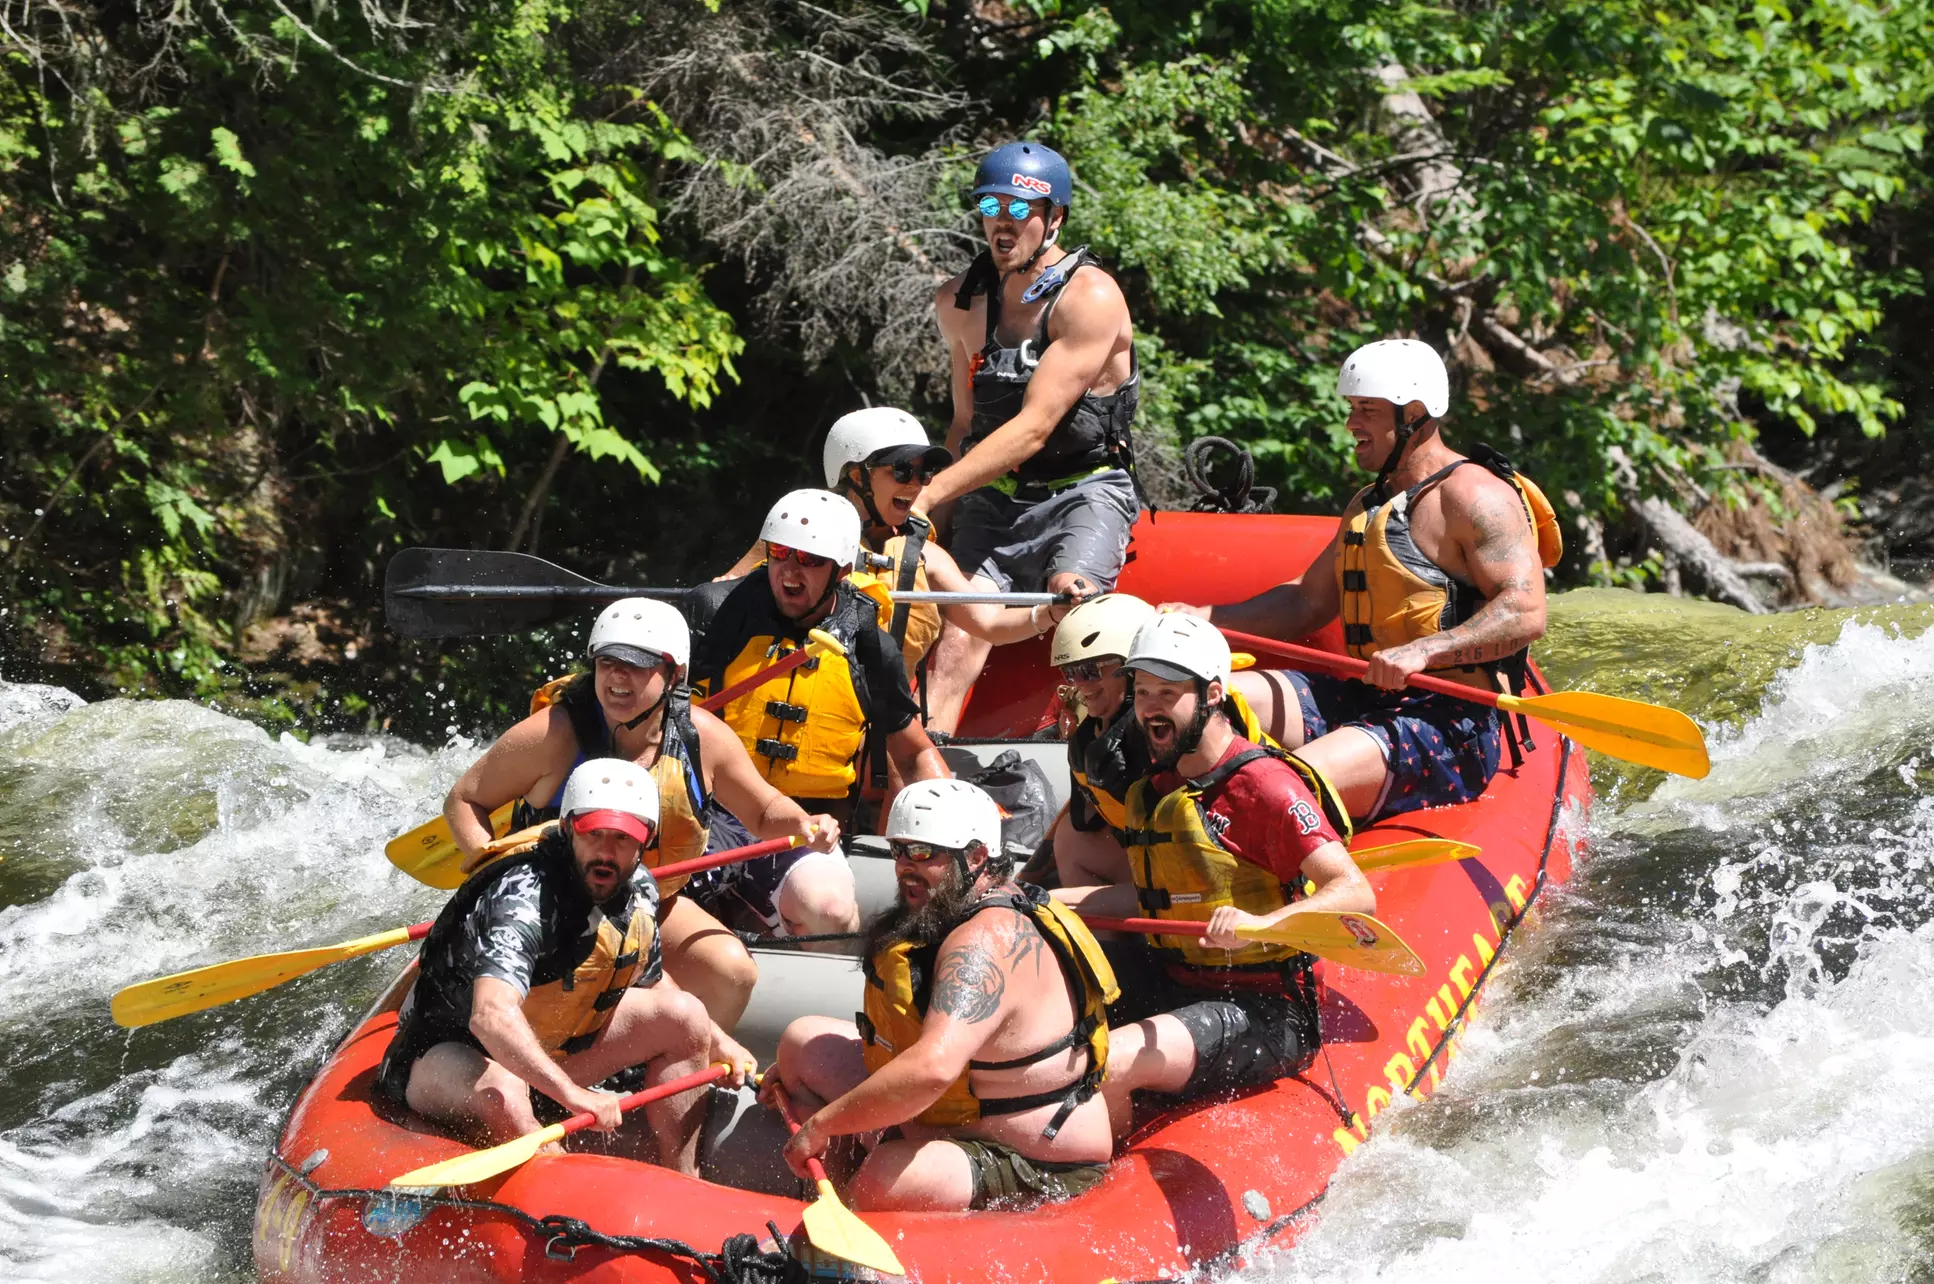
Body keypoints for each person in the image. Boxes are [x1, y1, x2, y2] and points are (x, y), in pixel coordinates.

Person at [1164, 339, 1560, 822]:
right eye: (1352, 408)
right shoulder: (1369, 502)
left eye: (1366, 410)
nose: (1351, 423)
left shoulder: (1475, 495)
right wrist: (1202, 620)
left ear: (1414, 414)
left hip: (1449, 720)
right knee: (1189, 704)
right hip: (1365, 695)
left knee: (1273, 787)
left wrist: (1425, 650)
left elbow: (1526, 611)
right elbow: (1306, 603)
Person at [442, 598, 843, 1028]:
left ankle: (674, 1060)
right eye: (608, 662)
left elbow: (763, 811)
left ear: (675, 674)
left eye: (636, 665)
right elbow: (464, 800)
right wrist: (499, 879)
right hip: (552, 900)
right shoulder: (553, 734)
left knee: (733, 972)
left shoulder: (703, 738)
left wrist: (804, 823)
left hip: (647, 901)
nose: (618, 676)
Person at [1051, 615, 1372, 1130]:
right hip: (1176, 981)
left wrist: (1263, 925)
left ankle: (1100, 1166)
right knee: (1047, 1004)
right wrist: (1043, 903)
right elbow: (1155, 901)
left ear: (1213, 694)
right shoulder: (1156, 788)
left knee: (1110, 1059)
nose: (1150, 706)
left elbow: (1354, 892)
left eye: (1168, 692)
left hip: (1268, 1010)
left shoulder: (1263, 785)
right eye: (1143, 692)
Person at [762, 779, 1119, 1212]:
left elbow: (932, 1069)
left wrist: (822, 1124)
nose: (903, 867)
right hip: (955, 1117)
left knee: (887, 1175)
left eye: (922, 852)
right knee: (803, 1045)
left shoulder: (984, 942)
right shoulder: (952, 907)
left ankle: (848, 1218)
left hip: (1035, 1160)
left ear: (977, 856)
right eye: (898, 850)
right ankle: (831, 1201)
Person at [379, 760, 751, 1172]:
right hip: (447, 1056)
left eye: (623, 838)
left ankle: (682, 1179)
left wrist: (720, 1042)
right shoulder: (523, 897)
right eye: (594, 834)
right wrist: (574, 1095)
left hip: (551, 1046)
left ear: (644, 840)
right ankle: (554, 1183)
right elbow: (490, 1016)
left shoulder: (639, 888)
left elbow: (652, 981)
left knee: (687, 1016)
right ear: (569, 827)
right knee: (503, 1092)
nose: (606, 853)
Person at [920, 142, 1142, 733]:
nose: (1003, 220)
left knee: (1076, 604)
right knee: (957, 632)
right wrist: (920, 516)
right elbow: (965, 425)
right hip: (997, 497)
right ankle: (924, 766)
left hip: (1084, 489)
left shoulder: (1090, 298)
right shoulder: (959, 303)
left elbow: (1035, 427)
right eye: (991, 205)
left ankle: (1102, 756)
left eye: (1020, 208)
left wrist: (929, 493)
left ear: (1055, 217)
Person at [689, 490, 952, 932]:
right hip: (706, 816)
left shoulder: (869, 645)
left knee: (830, 912)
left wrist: (955, 825)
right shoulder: (715, 613)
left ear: (842, 570)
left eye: (810, 559)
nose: (791, 570)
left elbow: (913, 753)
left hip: (805, 827)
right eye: (780, 553)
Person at [715, 407, 1084, 673]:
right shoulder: (795, 533)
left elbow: (990, 625)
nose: (916, 484)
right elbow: (722, 595)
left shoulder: (923, 554)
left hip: (886, 723)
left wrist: (1050, 612)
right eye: (903, 471)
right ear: (855, 474)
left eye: (924, 473)